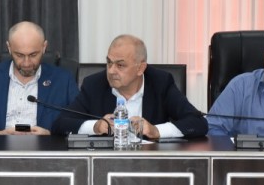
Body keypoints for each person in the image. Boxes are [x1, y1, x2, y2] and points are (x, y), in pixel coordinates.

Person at [51, 34, 207, 138]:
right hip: (106, 166)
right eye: (109, 62)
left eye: (120, 65)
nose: (111, 71)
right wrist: (95, 127)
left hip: (150, 165)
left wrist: (156, 130)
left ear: (140, 68)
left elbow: (198, 123)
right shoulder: (95, 84)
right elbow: (60, 124)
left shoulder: (161, 83)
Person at [0, 21, 79, 135]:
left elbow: (79, 125)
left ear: (44, 47)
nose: (26, 63)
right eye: (19, 55)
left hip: (45, 148)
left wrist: (50, 135)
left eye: (33, 55)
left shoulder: (63, 80)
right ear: (9, 48)